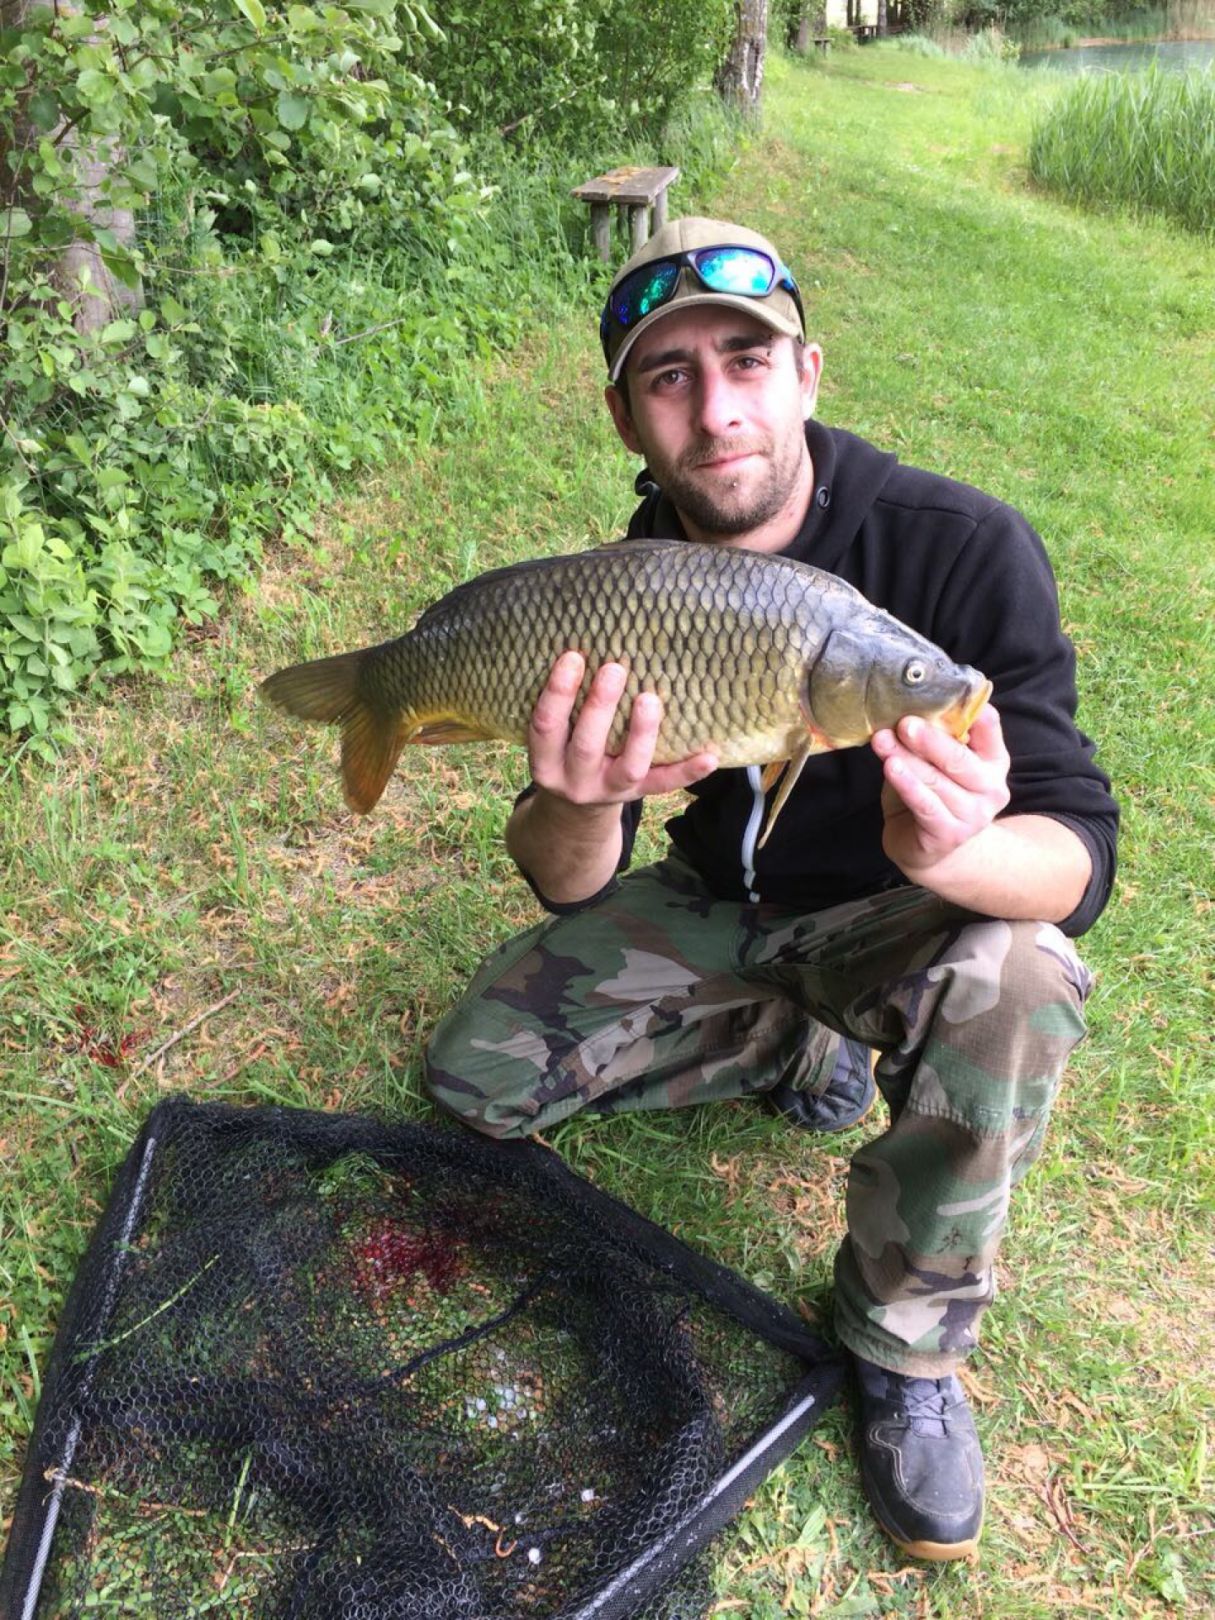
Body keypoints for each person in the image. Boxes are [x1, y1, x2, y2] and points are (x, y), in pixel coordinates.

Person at [425, 217, 1118, 1561]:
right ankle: (786, 1037)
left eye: (746, 358)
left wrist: (947, 859)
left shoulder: (961, 553)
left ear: (808, 369)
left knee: (1019, 971)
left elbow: (1076, 853)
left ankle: (906, 1351)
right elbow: (567, 882)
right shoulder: (634, 583)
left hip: (899, 926)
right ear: (626, 418)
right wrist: (577, 796)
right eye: (669, 376)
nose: (716, 406)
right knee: (475, 1085)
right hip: (718, 906)